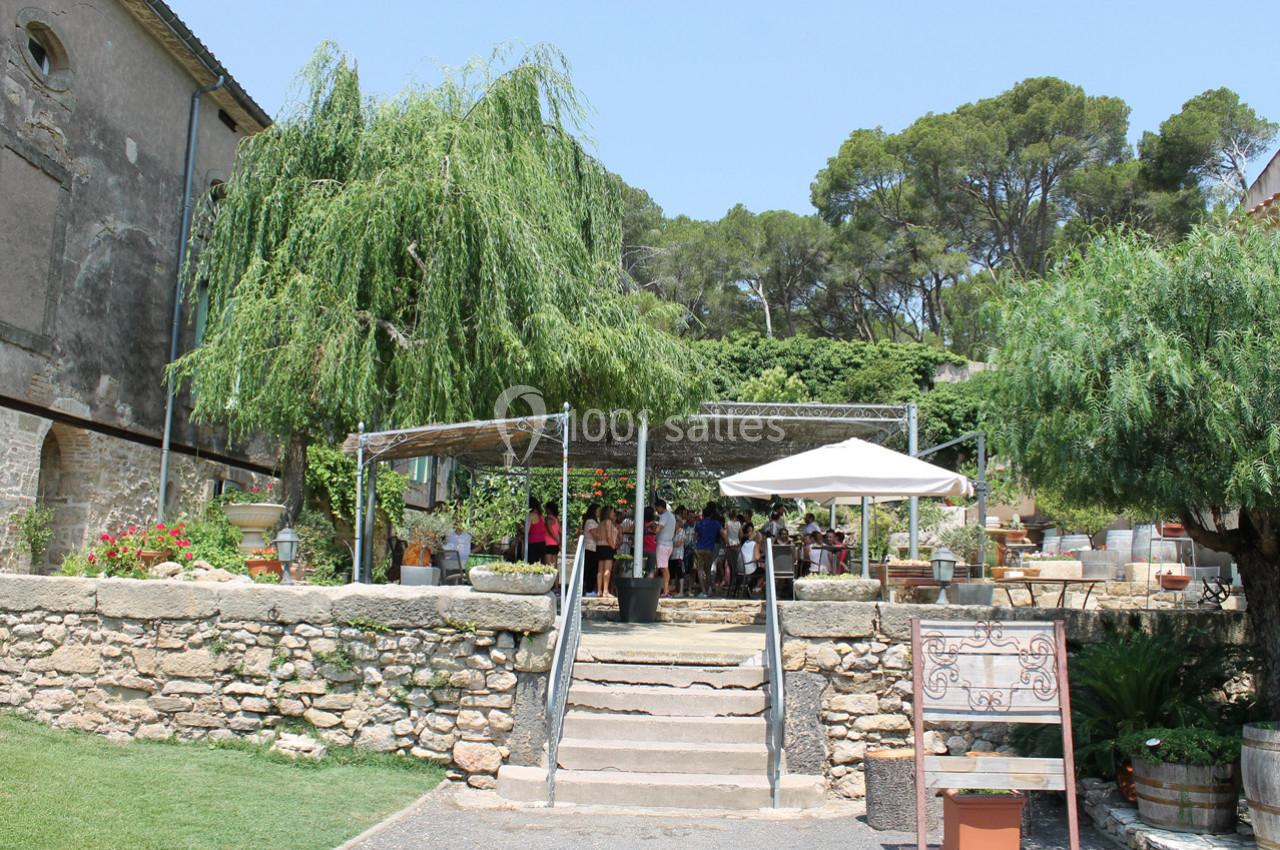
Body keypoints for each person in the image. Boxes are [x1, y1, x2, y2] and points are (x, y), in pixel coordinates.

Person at [693, 502, 725, 597]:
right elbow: (723, 534)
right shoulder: (716, 523)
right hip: (709, 550)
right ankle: (707, 591)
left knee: (699, 570)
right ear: (711, 514)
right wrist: (727, 542)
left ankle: (703, 591)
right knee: (707, 571)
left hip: (699, 549)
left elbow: (695, 537)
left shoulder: (698, 523)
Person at [596, 508, 620, 599]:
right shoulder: (608, 522)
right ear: (608, 513)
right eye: (613, 512)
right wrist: (613, 546)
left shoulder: (601, 523)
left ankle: (599, 590)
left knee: (600, 570)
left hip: (599, 546)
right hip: (607, 546)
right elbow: (609, 536)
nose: (614, 513)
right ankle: (605, 591)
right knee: (607, 570)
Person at [654, 499, 676, 597]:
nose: (656, 510)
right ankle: (665, 589)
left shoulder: (663, 516)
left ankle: (666, 590)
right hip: (669, 544)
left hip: (662, 544)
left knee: (664, 568)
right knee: (664, 567)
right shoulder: (672, 516)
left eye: (657, 508)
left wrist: (652, 529)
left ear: (660, 507)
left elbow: (658, 530)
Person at [582, 504, 600, 597]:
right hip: (590, 548)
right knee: (591, 569)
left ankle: (590, 588)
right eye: (598, 510)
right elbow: (596, 535)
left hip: (592, 548)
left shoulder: (593, 521)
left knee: (592, 569)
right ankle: (589, 589)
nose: (599, 512)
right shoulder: (591, 521)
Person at [526, 498, 546, 564]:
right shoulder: (541, 516)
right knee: (542, 565)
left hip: (533, 543)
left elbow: (527, 531)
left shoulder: (531, 515)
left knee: (532, 565)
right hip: (543, 543)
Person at [543, 502, 561, 567]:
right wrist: (559, 542)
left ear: (549, 509)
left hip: (548, 544)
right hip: (555, 545)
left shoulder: (548, 519)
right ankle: (557, 577)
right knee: (555, 567)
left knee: (548, 567)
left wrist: (556, 539)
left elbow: (550, 532)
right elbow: (560, 531)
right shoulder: (556, 519)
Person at [642, 506, 658, 575]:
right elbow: (656, 533)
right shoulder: (654, 523)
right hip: (652, 548)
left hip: (642, 548)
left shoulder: (641, 523)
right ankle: (649, 584)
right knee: (651, 569)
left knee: (641, 568)